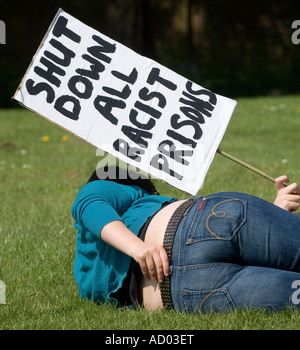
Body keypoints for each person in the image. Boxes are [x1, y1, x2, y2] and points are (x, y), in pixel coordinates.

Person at [71, 166, 300, 313]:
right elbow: (87, 200)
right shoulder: (114, 187)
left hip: (187, 290)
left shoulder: (88, 285)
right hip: (206, 224)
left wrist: (274, 213)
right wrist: (138, 249)